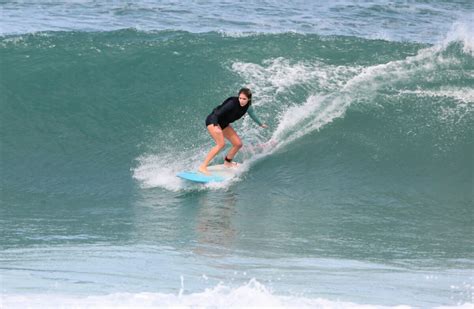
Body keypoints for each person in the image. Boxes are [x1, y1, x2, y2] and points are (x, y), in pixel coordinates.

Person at [199, 88, 268, 175]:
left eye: (244, 99)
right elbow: (216, 113)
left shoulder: (248, 107)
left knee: (238, 144)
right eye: (240, 98)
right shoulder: (232, 103)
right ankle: (203, 166)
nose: (241, 101)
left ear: (249, 99)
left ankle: (227, 162)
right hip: (213, 121)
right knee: (221, 144)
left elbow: (252, 114)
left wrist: (260, 124)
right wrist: (216, 126)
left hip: (224, 124)